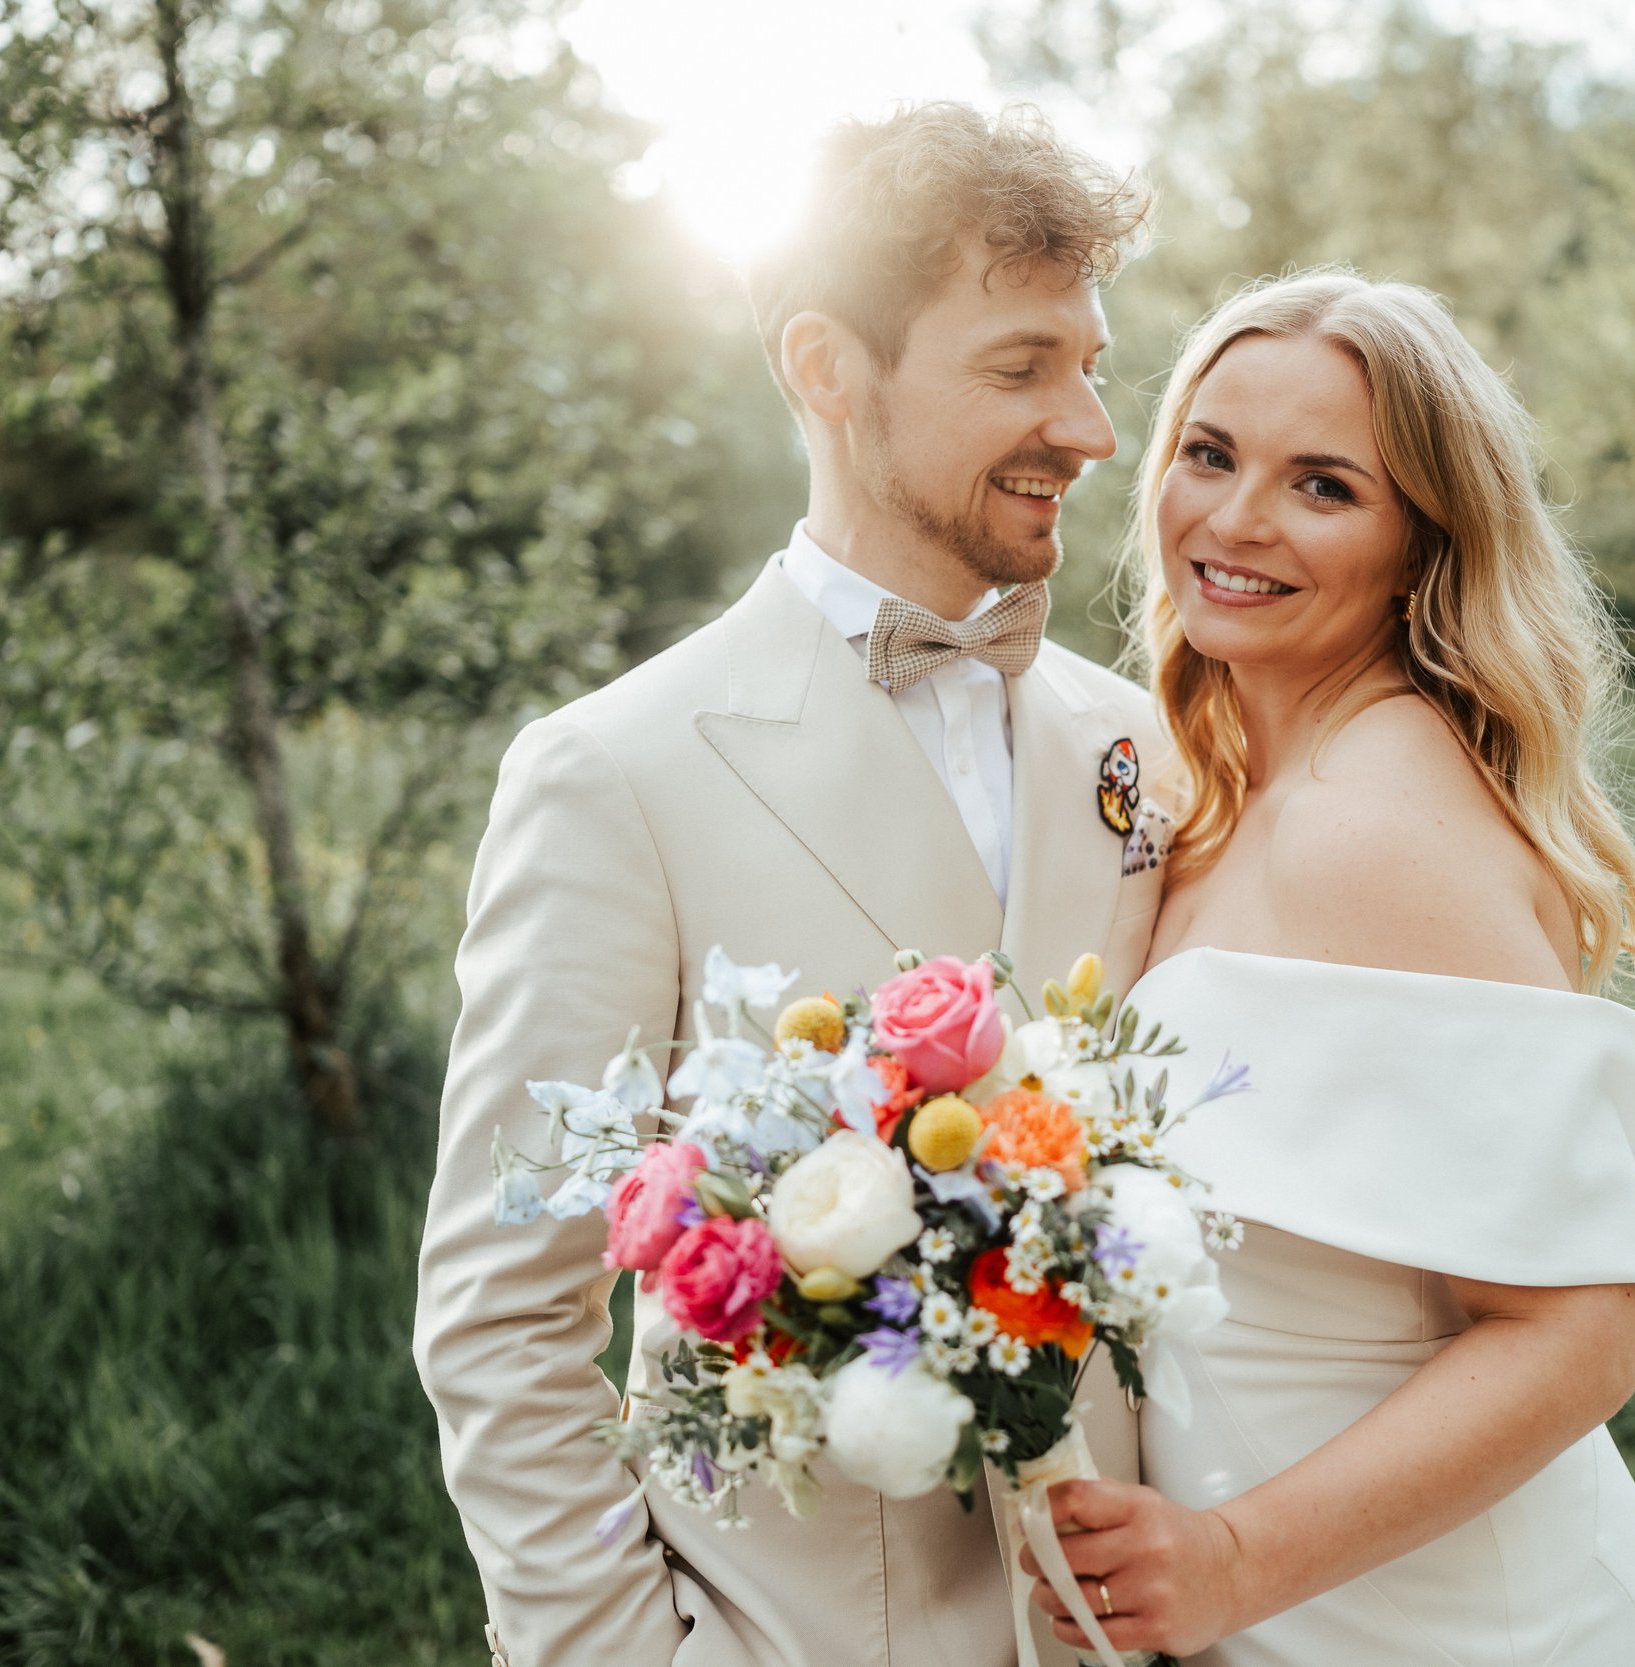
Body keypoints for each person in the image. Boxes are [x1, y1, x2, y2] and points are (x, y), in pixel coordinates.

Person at [413, 105, 1169, 1667]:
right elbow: (506, 1319)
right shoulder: (615, 775)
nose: (1093, 427)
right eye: (1022, 368)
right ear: (826, 368)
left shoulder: (1140, 742)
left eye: (1090, 364)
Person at [1022, 272, 1635, 1665]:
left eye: (1323, 486)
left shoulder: (1370, 826)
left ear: (1421, 545)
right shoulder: (1232, 785)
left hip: (1442, 1618)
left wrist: (1235, 1559)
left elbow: (1580, 1336)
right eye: (1209, 454)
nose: (1236, 519)